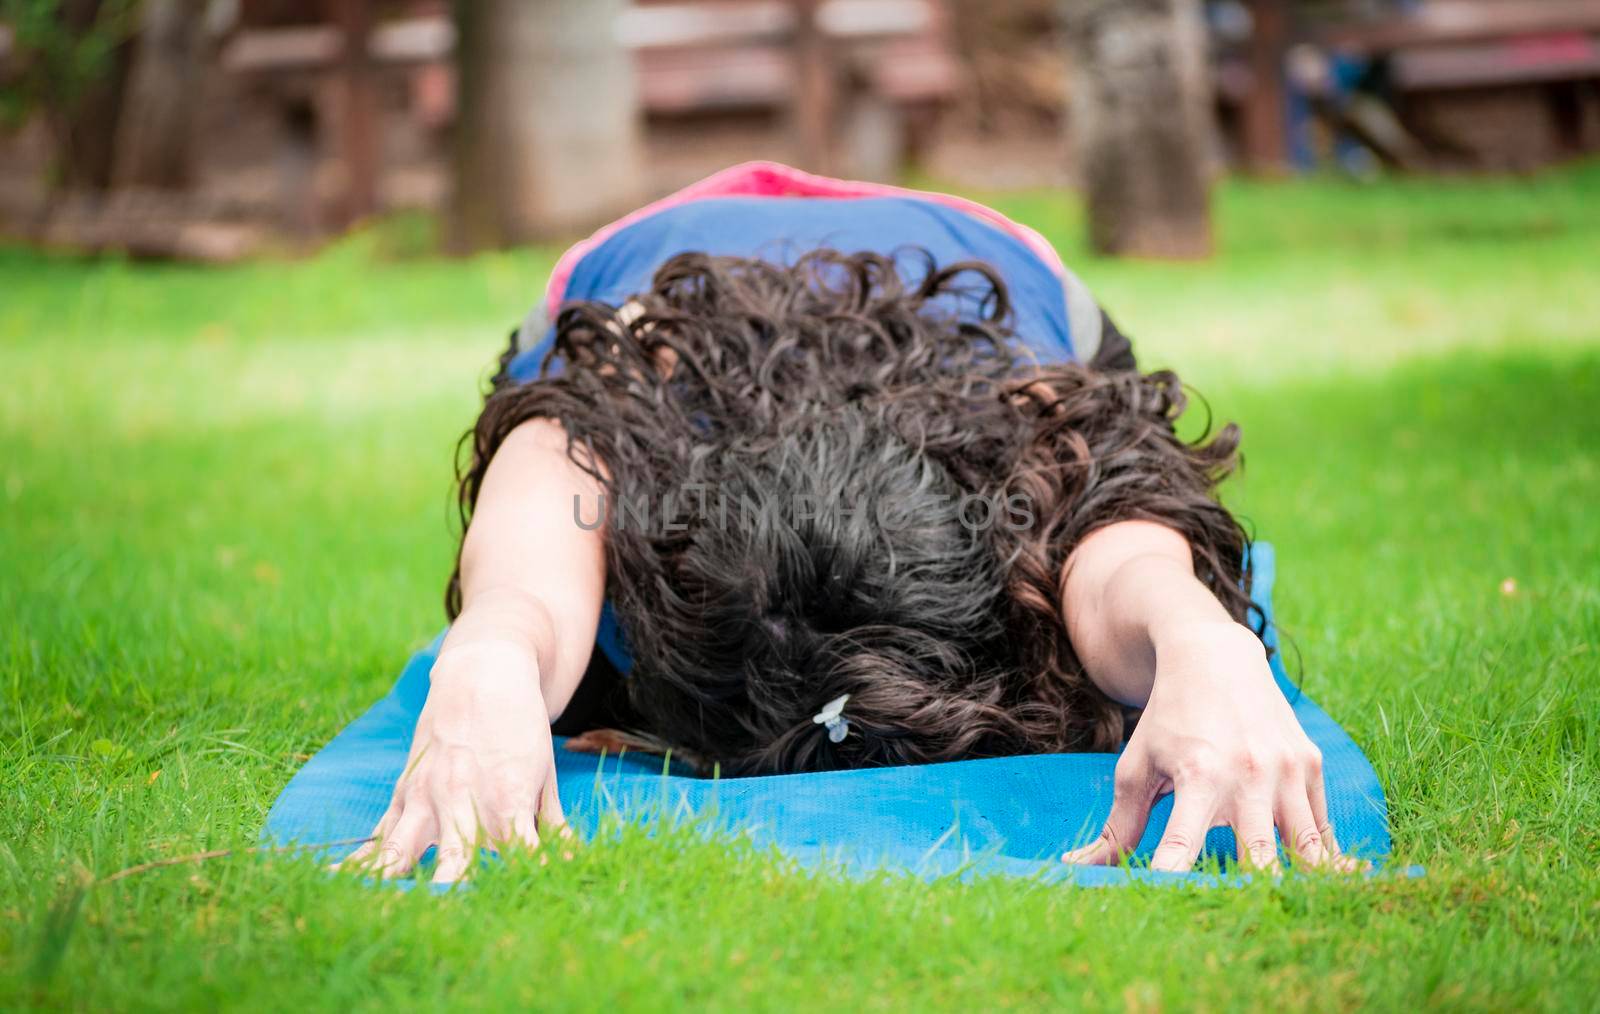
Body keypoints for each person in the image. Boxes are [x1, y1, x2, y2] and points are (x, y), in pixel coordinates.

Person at [339, 163, 1351, 884]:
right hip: (654, 265)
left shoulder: (1023, 419)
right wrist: (492, 652)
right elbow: (536, 521)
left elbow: (1112, 548)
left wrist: (1195, 637)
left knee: (1102, 466)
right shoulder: (630, 389)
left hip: (981, 266)